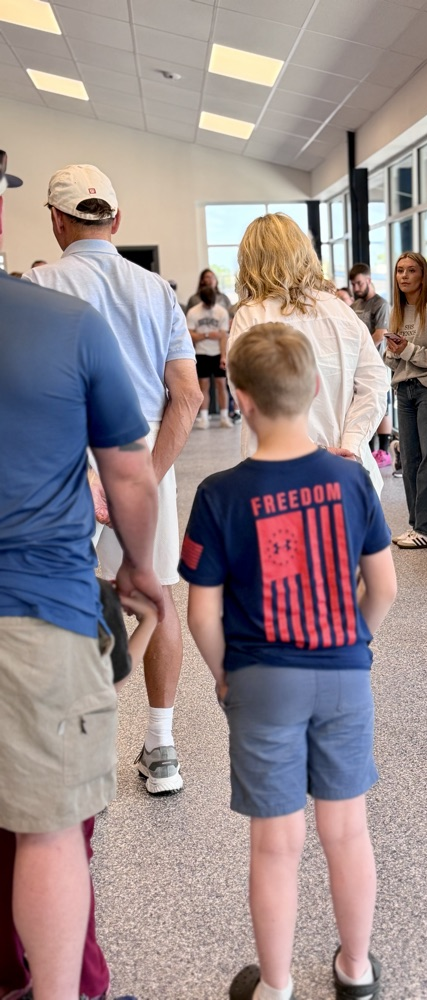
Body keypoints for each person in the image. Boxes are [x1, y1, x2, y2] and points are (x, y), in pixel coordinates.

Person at [179, 323, 397, 1000]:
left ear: (240, 398)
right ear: (316, 388)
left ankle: (275, 986)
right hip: (342, 674)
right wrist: (354, 644)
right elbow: (383, 587)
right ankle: (356, 971)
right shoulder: (351, 479)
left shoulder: (219, 494)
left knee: (275, 843)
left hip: (261, 678)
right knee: (346, 830)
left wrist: (225, 675)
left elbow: (201, 613)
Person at [0, 150, 164, 1000]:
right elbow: (129, 471)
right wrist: (140, 566)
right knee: (51, 828)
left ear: (59, 221)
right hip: (37, 604)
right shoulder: (60, 320)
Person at [24, 163, 202, 794]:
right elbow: (188, 396)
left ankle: (75, 751)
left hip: (67, 464)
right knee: (157, 597)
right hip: (145, 455)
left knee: (67, 601)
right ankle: (162, 747)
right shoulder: (157, 291)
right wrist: (143, 479)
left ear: (56, 220)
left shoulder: (38, 286)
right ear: (116, 220)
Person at [1, 584, 159, 1000]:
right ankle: (86, 986)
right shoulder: (83, 592)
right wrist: (150, 620)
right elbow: (112, 683)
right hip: (63, 780)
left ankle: (12, 982)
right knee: (63, 875)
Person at [227, 213, 389, 494]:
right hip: (349, 471)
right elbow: (375, 384)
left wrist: (316, 451)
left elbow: (246, 394)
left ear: (251, 261)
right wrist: (350, 445)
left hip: (281, 475)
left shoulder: (251, 316)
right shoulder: (340, 310)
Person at [384, 252, 427, 548]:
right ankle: (417, 526)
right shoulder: (397, 310)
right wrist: (392, 351)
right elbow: (394, 359)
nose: (404, 276)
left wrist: (407, 349)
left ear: (423, 275)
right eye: (400, 270)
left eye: (411, 270)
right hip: (404, 389)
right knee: (410, 460)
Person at [349, 263, 393, 469]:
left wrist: (363, 352)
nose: (356, 287)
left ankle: (384, 451)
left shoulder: (380, 304)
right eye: (353, 284)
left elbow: (380, 333)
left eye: (359, 283)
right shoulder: (354, 306)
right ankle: (367, 449)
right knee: (361, 405)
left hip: (376, 364)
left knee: (381, 407)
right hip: (356, 365)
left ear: (368, 280)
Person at [186, 284, 232, 428]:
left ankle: (224, 417)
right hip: (201, 353)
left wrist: (223, 356)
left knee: (221, 384)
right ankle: (204, 418)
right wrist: (207, 335)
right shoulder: (193, 312)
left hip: (218, 352)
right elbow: (190, 334)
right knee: (203, 385)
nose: (210, 306)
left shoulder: (221, 312)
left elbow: (223, 336)